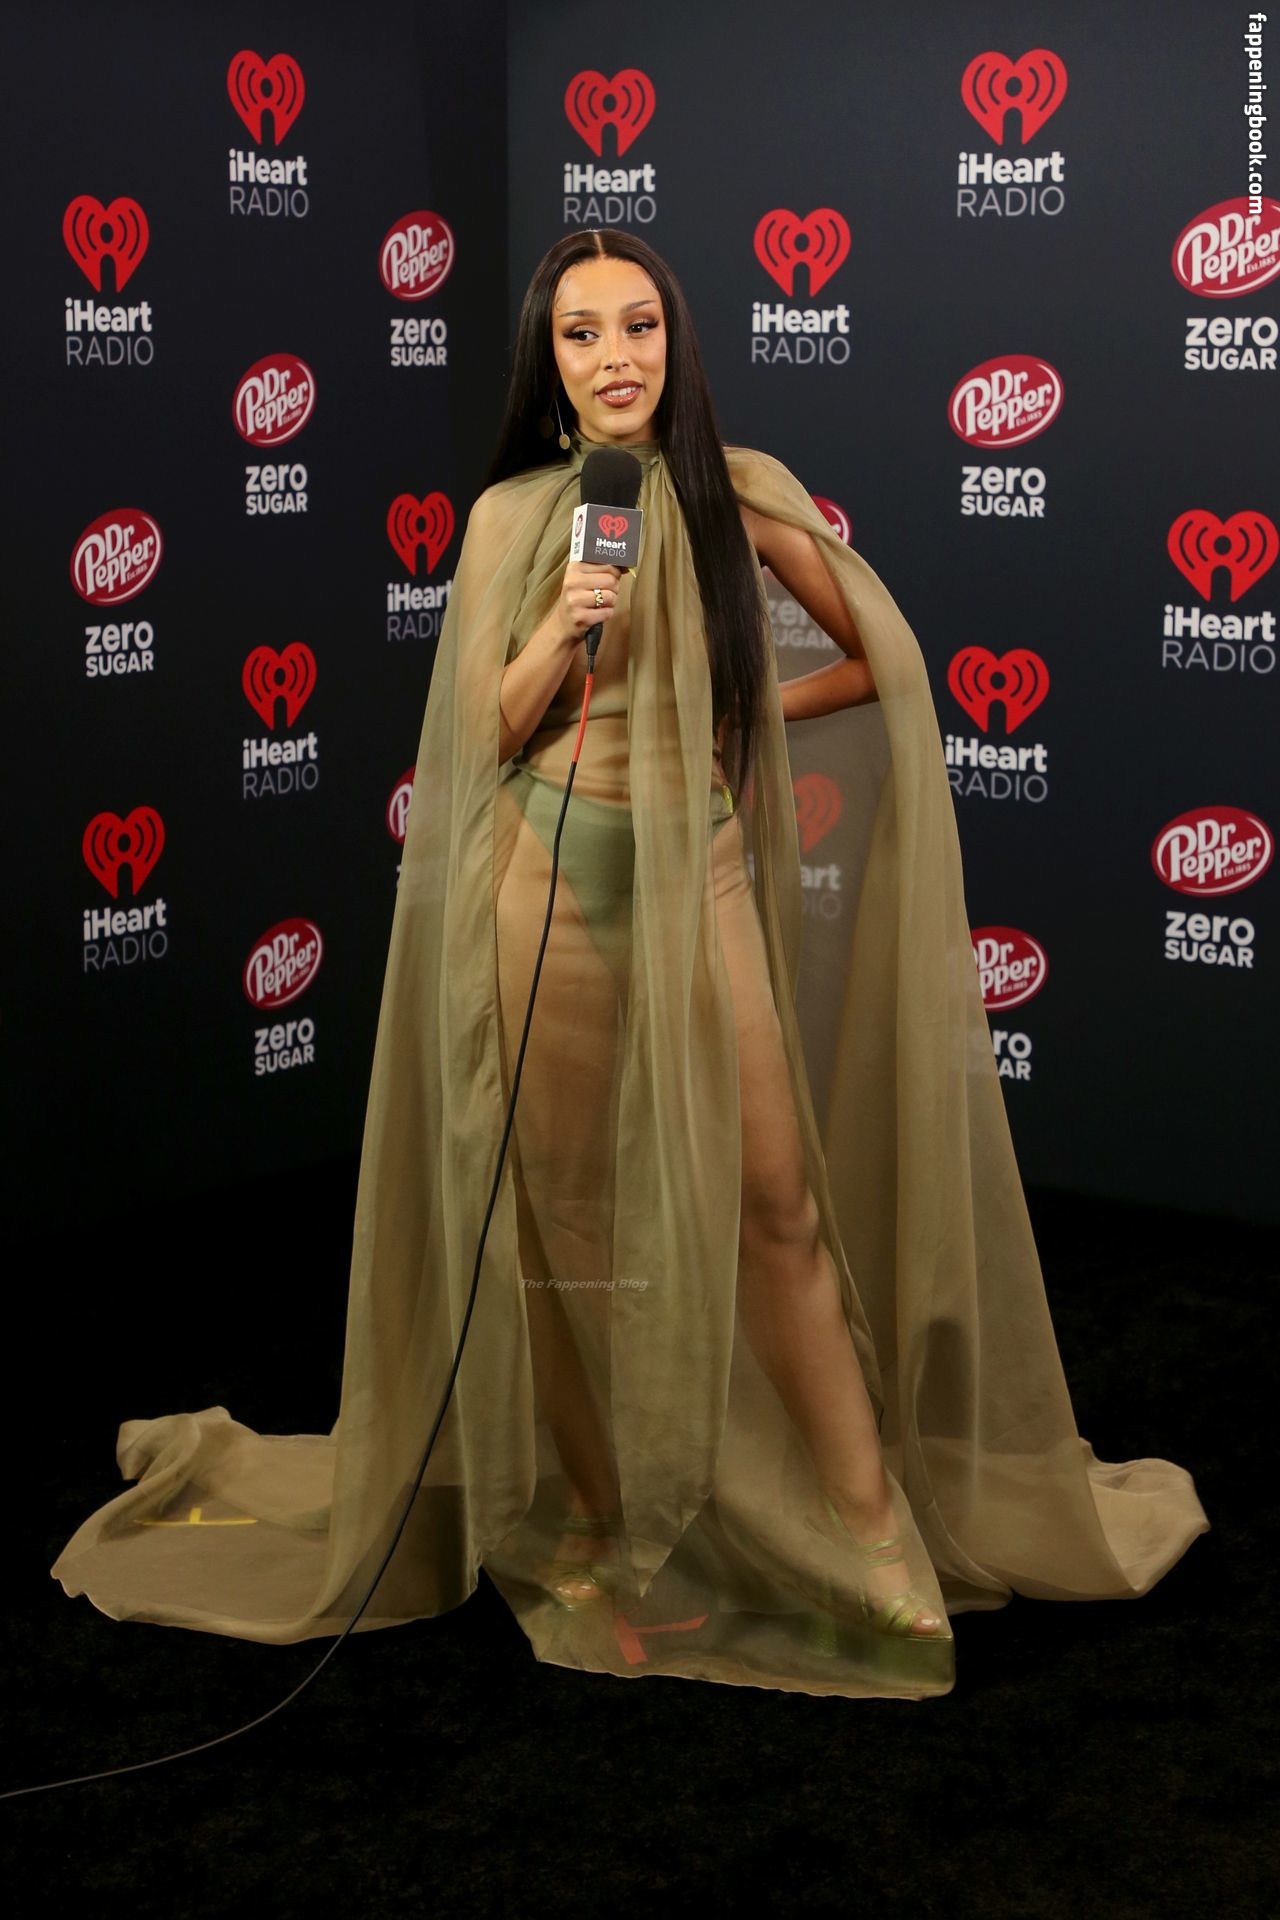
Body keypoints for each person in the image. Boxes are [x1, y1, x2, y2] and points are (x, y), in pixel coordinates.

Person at [51, 229, 1210, 1703]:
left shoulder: (742, 494)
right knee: (564, 1235)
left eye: (640, 326)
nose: (616, 358)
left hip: (698, 874)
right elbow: (481, 732)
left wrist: (741, 710)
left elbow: (888, 661)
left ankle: (870, 1537)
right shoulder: (515, 517)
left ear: (677, 342)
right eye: (583, 333)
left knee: (778, 1207)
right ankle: (599, 1532)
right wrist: (562, 625)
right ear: (549, 363)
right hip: (544, 888)